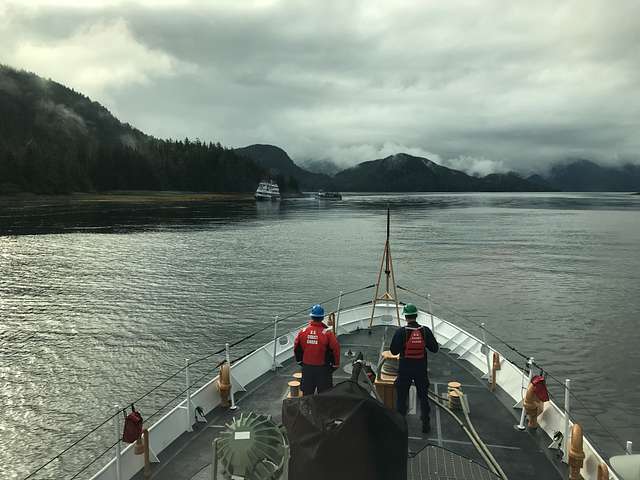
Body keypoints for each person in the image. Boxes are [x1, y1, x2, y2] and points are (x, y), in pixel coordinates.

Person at [390, 303, 439, 433]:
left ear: (405, 317)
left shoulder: (401, 332)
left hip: (405, 368)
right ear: (416, 315)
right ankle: (426, 424)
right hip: (421, 369)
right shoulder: (425, 331)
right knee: (423, 396)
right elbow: (435, 349)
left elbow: (393, 351)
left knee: (401, 397)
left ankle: (400, 426)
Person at [294, 304, 341, 395]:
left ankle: (307, 408)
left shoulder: (303, 331)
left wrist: (300, 362)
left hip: (307, 368)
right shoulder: (328, 334)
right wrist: (336, 365)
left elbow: (297, 348)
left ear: (311, 316)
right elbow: (335, 349)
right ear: (322, 317)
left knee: (307, 394)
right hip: (323, 369)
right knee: (324, 395)